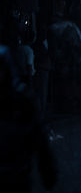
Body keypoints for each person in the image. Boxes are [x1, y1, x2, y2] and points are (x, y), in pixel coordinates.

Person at [0, 45, 57, 192]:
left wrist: (48, 172)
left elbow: (40, 139)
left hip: (18, 176)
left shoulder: (23, 100)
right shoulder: (24, 98)